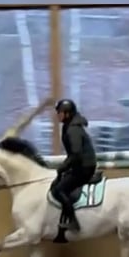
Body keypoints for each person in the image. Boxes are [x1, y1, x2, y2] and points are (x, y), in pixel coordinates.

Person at [50, 98, 98, 233]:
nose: (57, 115)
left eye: (60, 112)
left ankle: (73, 221)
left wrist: (63, 167)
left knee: (59, 190)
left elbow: (75, 154)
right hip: (81, 164)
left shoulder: (73, 130)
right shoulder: (70, 125)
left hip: (84, 167)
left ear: (67, 114)